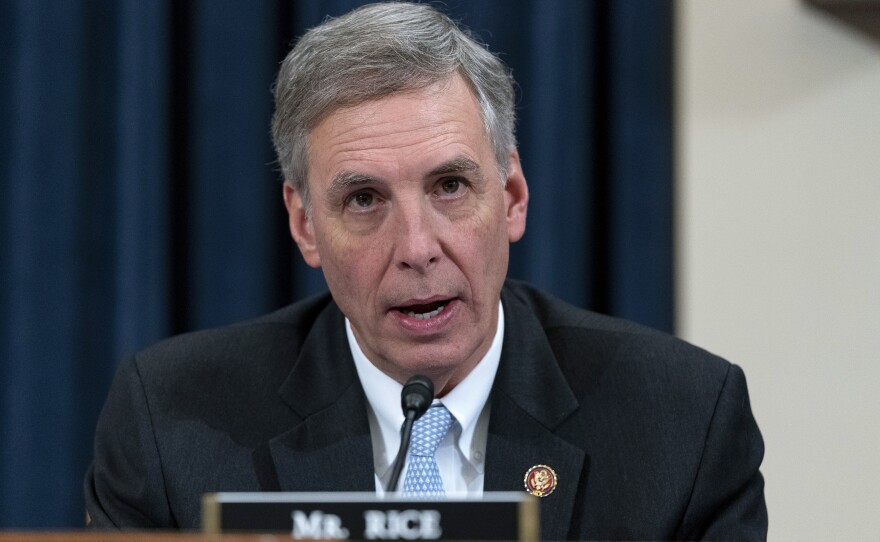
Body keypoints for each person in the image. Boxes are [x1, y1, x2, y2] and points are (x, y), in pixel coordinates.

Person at [84, 2, 767, 540]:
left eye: (449, 187)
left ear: (512, 198)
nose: (416, 246)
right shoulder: (173, 423)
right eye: (364, 199)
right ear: (303, 225)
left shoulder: (680, 422)